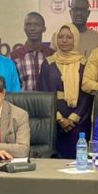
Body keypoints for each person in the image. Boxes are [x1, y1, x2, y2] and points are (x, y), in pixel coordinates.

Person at [38, 24, 92, 158]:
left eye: (69, 37)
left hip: (79, 121)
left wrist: (74, 118)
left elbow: (86, 94)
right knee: (55, 160)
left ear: (75, 39)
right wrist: (59, 119)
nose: (64, 40)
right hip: (54, 120)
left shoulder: (84, 63)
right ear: (55, 39)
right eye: (61, 37)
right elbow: (44, 93)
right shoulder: (48, 63)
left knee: (78, 159)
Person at [10, 12, 55, 91]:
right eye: (28, 25)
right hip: (23, 99)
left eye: (36, 25)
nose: (32, 28)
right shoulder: (15, 55)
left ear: (44, 28)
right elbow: (12, 85)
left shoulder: (52, 54)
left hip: (49, 98)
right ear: (24, 28)